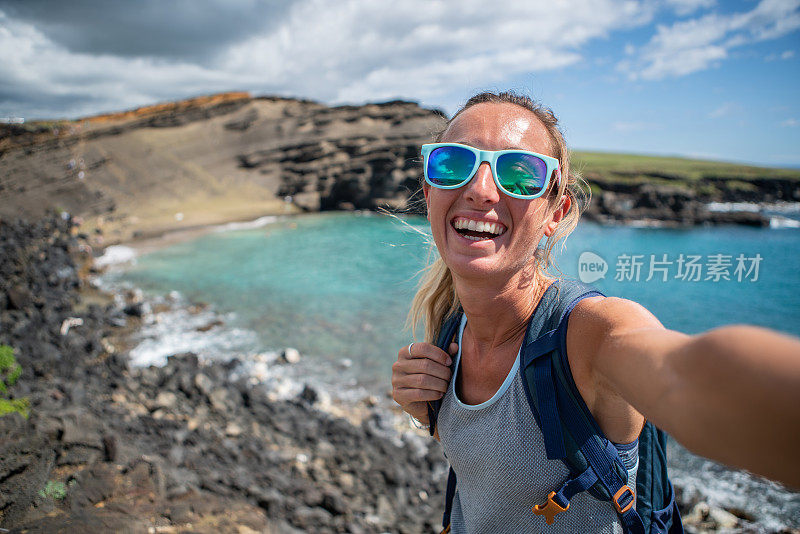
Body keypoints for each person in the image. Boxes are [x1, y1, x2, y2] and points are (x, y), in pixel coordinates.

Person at [390, 91, 800, 533]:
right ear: (430, 190)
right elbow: (491, 464)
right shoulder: (450, 326)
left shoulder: (588, 334)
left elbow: (687, 375)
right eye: (454, 163)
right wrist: (424, 410)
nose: (480, 189)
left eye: (521, 174)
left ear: (556, 212)